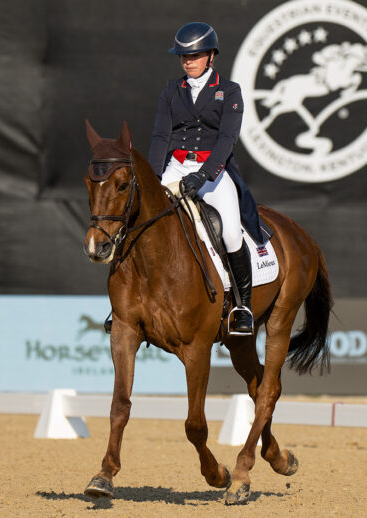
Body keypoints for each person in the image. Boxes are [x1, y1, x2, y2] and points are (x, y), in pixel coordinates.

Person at [148, 22, 271, 336]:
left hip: (213, 173)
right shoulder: (169, 90)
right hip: (175, 167)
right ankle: (124, 302)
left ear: (211, 55)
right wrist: (153, 178)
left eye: (195, 55)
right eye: (183, 56)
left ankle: (243, 306)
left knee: (231, 232)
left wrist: (202, 176)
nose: (188, 61)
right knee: (143, 222)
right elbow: (161, 136)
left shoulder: (229, 91)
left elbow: (227, 140)